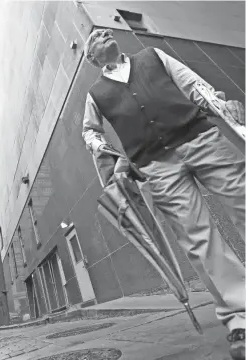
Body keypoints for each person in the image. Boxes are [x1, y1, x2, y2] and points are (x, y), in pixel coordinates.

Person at [82, 28, 245, 360]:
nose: (102, 33)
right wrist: (108, 152)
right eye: (94, 37)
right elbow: (89, 131)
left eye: (104, 32)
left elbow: (194, 85)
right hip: (157, 167)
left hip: (202, 140)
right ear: (91, 57)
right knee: (201, 240)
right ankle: (239, 316)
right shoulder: (96, 94)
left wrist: (221, 107)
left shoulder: (153, 56)